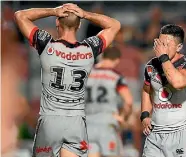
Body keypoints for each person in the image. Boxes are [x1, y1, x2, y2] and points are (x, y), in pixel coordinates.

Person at [14, 3, 121, 157]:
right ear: (79, 25)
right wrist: (85, 14)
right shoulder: (89, 49)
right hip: (75, 122)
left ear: (57, 22)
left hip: (50, 120)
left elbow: (20, 15)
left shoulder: (47, 45)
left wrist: (53, 11)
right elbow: (114, 25)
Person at [140, 24, 186, 157]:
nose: (161, 47)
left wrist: (163, 58)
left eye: (167, 44)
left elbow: (177, 82)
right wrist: (145, 115)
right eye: (160, 42)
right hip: (155, 134)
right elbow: (146, 90)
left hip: (180, 133)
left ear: (179, 47)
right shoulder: (151, 65)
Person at [85, 46, 133, 157]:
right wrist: (123, 117)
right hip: (107, 123)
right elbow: (129, 101)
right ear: (117, 60)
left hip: (87, 124)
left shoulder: (86, 74)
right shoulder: (116, 76)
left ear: (102, 57)